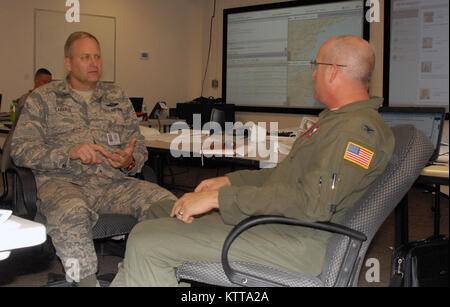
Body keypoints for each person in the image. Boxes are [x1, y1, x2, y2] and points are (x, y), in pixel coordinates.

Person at [121, 35, 396, 286]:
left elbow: (312, 204)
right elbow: (282, 177)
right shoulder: (335, 121)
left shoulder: (355, 131)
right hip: (281, 224)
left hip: (297, 240)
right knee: (165, 210)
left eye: (317, 65)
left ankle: (148, 266)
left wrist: (221, 200)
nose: (313, 73)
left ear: (334, 71)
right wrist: (228, 181)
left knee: (146, 241)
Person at [10, 32, 176, 287]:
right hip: (61, 184)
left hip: (112, 184)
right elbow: (20, 149)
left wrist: (127, 162)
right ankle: (87, 282)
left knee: (169, 205)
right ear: (68, 63)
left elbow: (138, 149)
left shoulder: (116, 96)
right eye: (85, 57)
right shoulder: (43, 98)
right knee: (72, 212)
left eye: (97, 56)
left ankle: (131, 277)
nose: (94, 63)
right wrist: (70, 152)